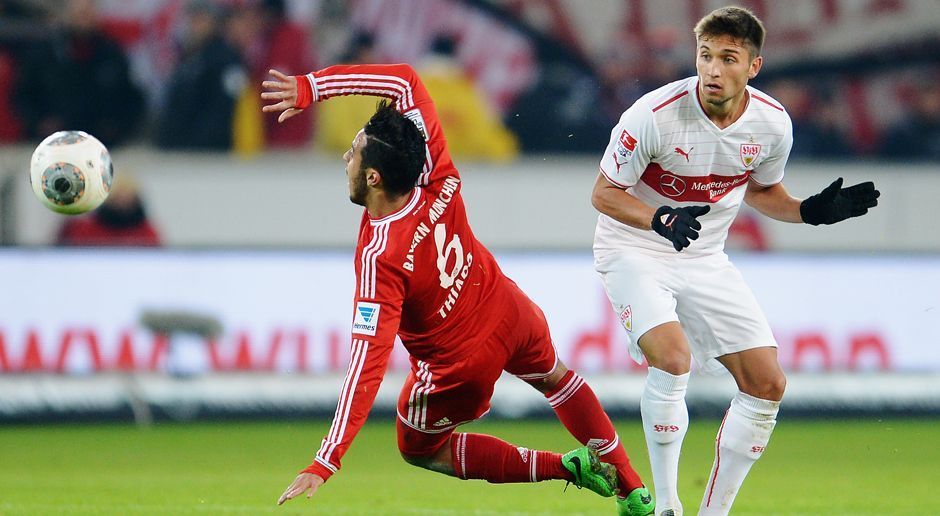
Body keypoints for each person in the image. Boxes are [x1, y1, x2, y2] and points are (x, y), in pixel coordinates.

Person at [261, 64, 655, 515]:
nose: (344, 160)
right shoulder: (435, 173)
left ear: (374, 178)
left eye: (352, 154)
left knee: (419, 448)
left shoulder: (380, 257)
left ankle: (566, 469)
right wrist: (313, 87)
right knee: (558, 379)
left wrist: (326, 458)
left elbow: (366, 363)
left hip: (460, 365)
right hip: (509, 309)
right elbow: (405, 80)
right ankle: (635, 492)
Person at [590, 7, 879, 516]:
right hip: (634, 248)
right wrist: (660, 219)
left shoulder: (771, 124)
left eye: (728, 58)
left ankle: (714, 513)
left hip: (703, 258)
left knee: (768, 383)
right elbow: (604, 194)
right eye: (705, 56)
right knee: (673, 358)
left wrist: (810, 212)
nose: (713, 70)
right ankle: (666, 505)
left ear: (754, 66)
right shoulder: (652, 115)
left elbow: (762, 192)